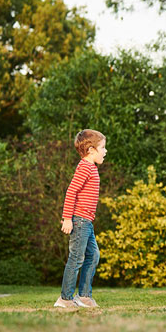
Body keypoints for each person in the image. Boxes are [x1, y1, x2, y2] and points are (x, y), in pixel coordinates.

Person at [54, 129, 107, 309]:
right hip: (80, 220)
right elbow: (71, 192)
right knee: (77, 258)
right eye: (103, 148)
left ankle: (83, 296)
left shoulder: (91, 167)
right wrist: (67, 218)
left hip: (87, 222)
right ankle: (65, 299)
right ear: (91, 150)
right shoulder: (85, 167)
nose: (105, 151)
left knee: (93, 256)